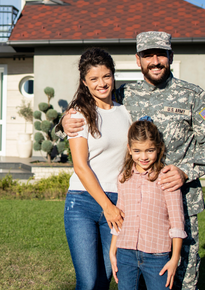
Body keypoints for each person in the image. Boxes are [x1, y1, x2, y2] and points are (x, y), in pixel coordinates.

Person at [57, 31, 205, 289]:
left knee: (182, 277)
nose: (155, 61)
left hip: (178, 201)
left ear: (171, 57)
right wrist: (62, 123)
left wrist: (184, 171)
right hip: (136, 205)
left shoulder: (193, 96)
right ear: (138, 60)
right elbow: (90, 110)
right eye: (148, 55)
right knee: (132, 276)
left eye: (161, 54)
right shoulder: (125, 96)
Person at [64, 47, 132, 290]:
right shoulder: (78, 114)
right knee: (88, 281)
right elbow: (80, 167)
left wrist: (115, 206)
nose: (101, 83)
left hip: (117, 202)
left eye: (106, 76)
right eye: (93, 79)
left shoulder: (126, 112)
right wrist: (107, 207)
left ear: (113, 75)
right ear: (85, 82)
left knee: (105, 279)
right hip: (83, 203)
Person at [109, 118, 187, 290]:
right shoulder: (123, 178)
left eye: (149, 150)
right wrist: (112, 251)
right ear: (129, 149)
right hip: (125, 254)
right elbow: (119, 218)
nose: (143, 157)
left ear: (158, 148)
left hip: (157, 256)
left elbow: (177, 222)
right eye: (137, 151)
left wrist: (174, 259)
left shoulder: (167, 178)